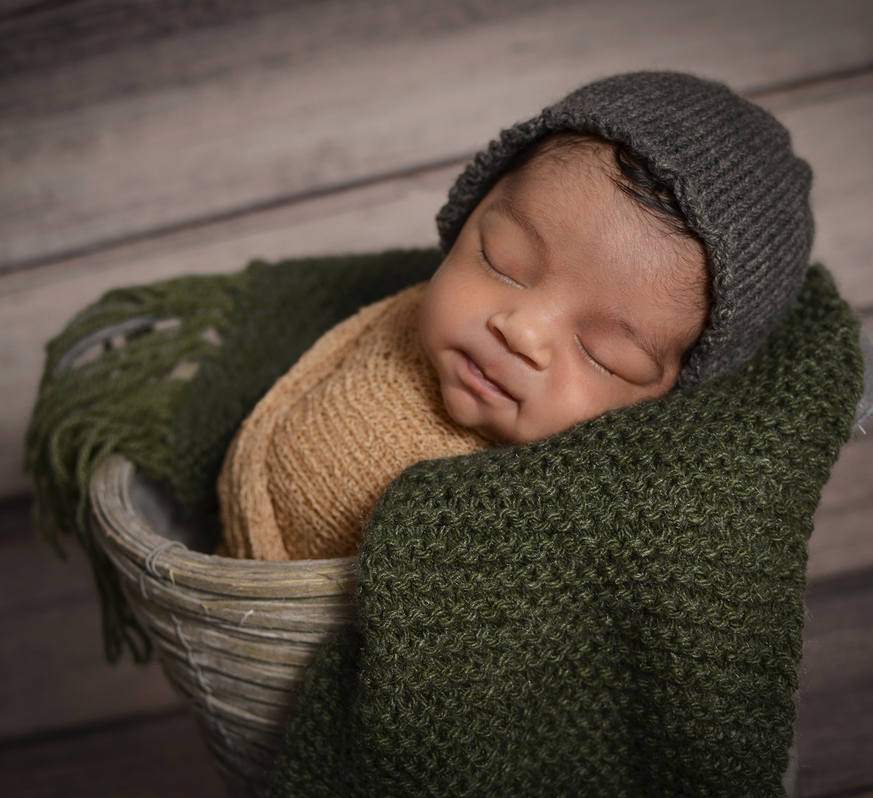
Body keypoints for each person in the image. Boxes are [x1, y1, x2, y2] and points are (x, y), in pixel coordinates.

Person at [218, 70, 813, 562]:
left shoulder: (588, 524)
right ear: (467, 216)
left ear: (663, 408)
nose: (523, 332)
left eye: (603, 353)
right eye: (504, 262)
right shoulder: (391, 324)